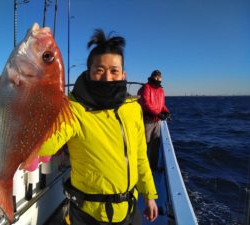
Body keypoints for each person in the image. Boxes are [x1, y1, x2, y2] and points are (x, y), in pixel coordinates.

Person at [38, 29, 158, 225]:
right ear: (89, 72)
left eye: (114, 71)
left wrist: (150, 195)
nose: (107, 77)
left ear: (123, 74)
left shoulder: (133, 109)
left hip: (130, 208)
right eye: (99, 70)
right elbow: (44, 145)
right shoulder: (73, 109)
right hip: (90, 216)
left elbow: (140, 157)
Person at [138, 70, 170, 171]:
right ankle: (142, 168)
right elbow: (146, 103)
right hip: (148, 121)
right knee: (145, 145)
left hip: (157, 121)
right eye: (155, 76)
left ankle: (153, 166)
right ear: (152, 76)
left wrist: (166, 112)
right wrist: (158, 113)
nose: (157, 78)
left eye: (159, 77)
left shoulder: (161, 90)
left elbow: (162, 104)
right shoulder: (146, 87)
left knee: (156, 144)